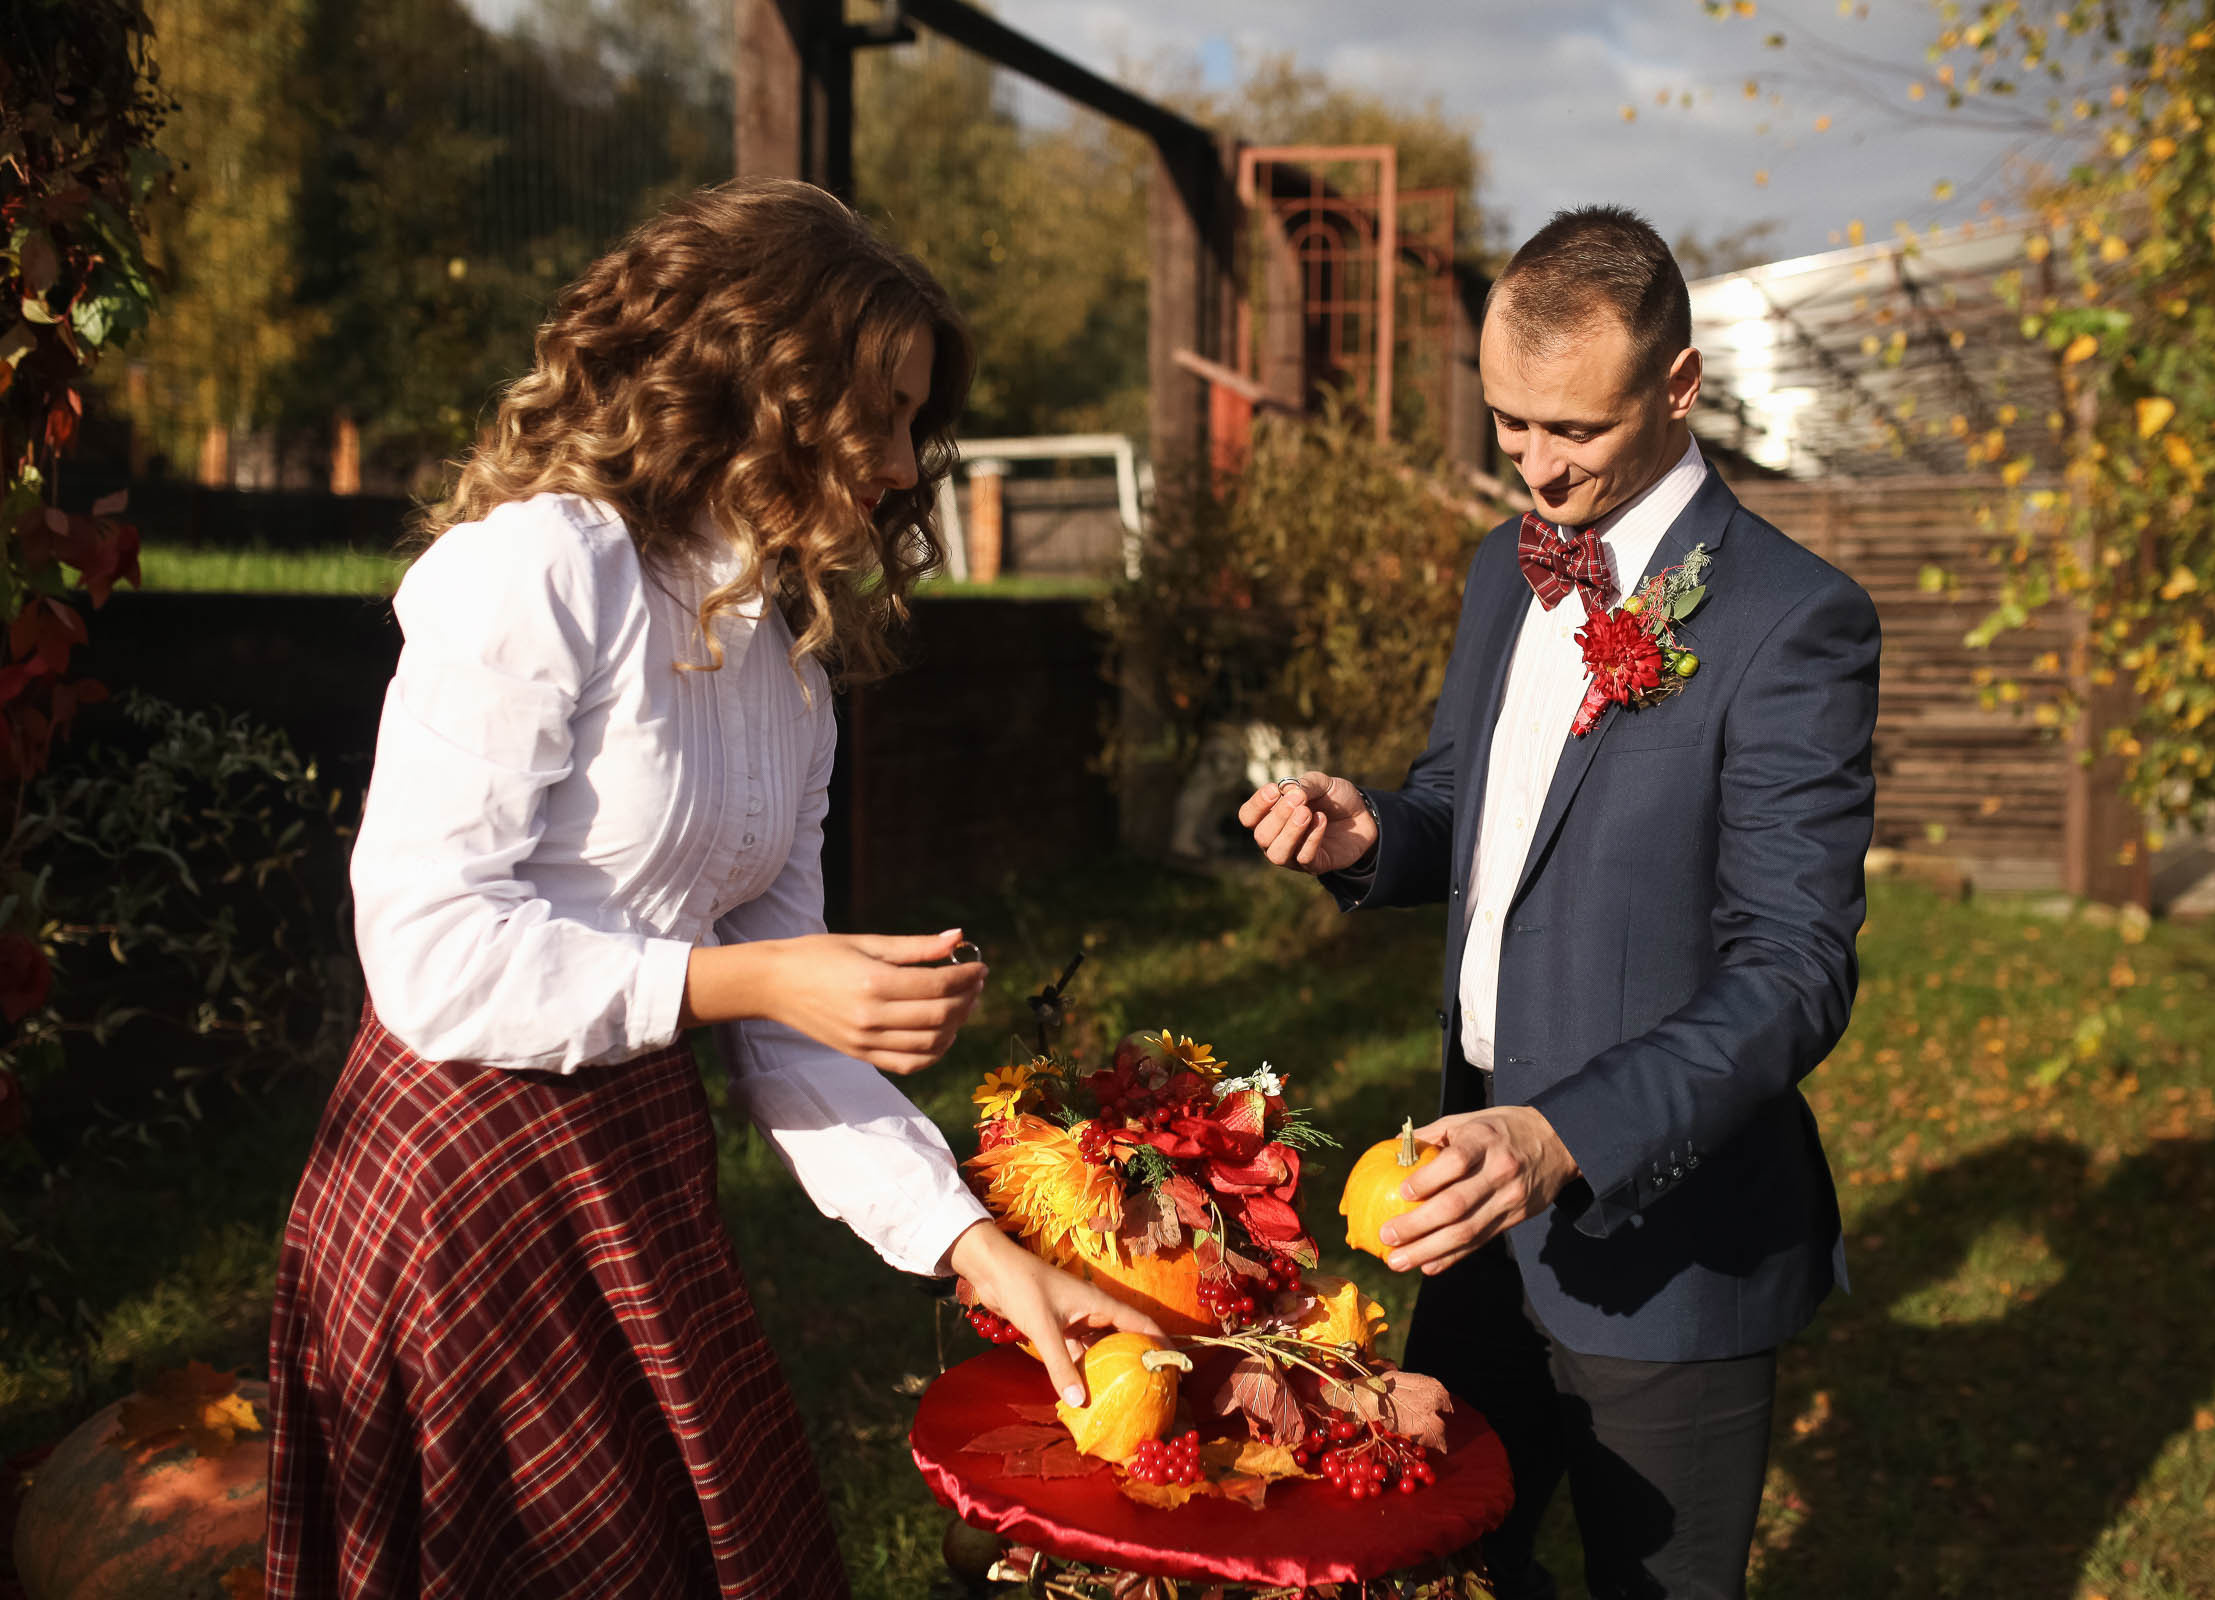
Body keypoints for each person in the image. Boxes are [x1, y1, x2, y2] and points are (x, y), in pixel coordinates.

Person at [265, 179, 1161, 1600]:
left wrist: (978, 1249)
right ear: (759, 385)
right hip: (457, 1186)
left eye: (917, 421)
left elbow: (787, 1024)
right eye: (875, 414)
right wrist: (744, 980)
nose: (899, 460)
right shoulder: (542, 571)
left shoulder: (783, 660)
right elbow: (428, 952)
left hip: (633, 1169)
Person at [1239, 205, 1877, 1600]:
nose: (1533, 469)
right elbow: (1468, 813)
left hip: (1668, 1246)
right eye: (1505, 424)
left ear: (1679, 388)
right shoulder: (1501, 570)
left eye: (1571, 432)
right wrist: (1370, 839)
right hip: (1463, 1213)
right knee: (1449, 1563)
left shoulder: (1793, 620)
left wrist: (1563, 1138)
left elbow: (1793, 969)